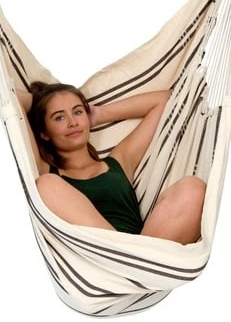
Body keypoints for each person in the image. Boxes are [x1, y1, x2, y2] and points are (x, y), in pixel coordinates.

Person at [17, 81, 206, 245]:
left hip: (145, 252)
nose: (72, 122)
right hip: (95, 258)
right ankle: (123, 254)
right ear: (44, 133)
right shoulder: (45, 170)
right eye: (59, 117)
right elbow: (13, 97)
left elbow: (167, 100)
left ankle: (133, 259)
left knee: (193, 188)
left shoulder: (120, 161)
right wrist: (41, 101)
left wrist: (99, 114)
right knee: (46, 184)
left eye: (78, 112)